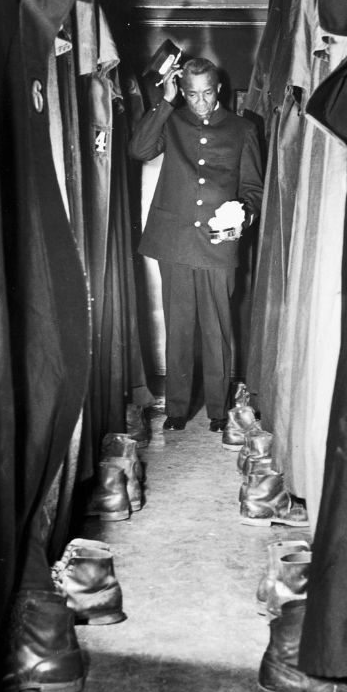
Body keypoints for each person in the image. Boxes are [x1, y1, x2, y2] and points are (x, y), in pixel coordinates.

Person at [129, 57, 264, 432]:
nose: (201, 102)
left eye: (207, 93)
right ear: (182, 91)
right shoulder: (171, 119)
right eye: (192, 95)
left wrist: (243, 217)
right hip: (174, 241)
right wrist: (166, 101)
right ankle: (176, 409)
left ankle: (219, 412)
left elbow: (253, 189)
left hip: (219, 243)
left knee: (217, 329)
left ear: (218, 88)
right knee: (179, 327)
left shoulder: (242, 129)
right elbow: (140, 149)